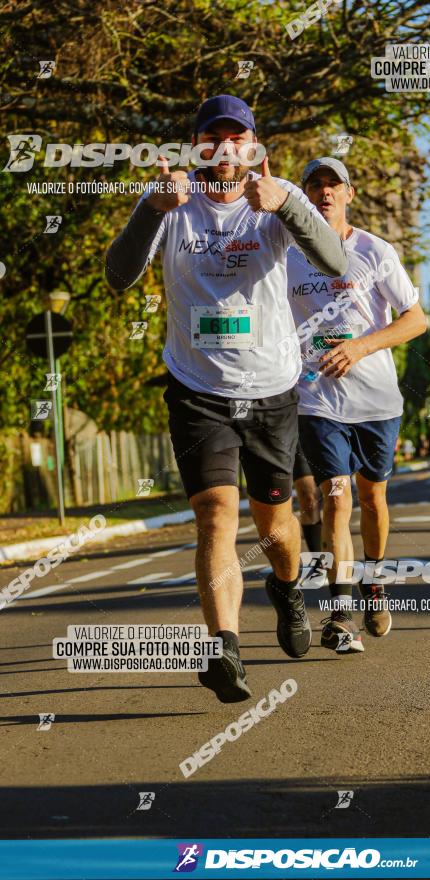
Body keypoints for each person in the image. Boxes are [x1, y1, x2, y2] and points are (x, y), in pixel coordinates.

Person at [105, 95, 348, 702]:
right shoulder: (170, 200)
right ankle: (225, 650)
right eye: (213, 138)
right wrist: (151, 212)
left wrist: (287, 205)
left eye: (237, 138)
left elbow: (336, 260)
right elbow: (118, 274)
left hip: (270, 388)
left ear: (253, 145)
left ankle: (287, 590)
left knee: (277, 522)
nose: (225, 149)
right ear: (197, 146)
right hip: (197, 388)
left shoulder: (277, 196)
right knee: (215, 515)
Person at [286, 157, 427, 654]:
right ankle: (341, 612)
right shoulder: (286, 253)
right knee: (337, 498)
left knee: (372, 498)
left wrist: (363, 346)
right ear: (303, 196)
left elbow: (416, 320)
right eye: (315, 186)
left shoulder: (375, 250)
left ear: (349, 193)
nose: (324, 193)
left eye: (333, 185)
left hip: (377, 401)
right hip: (317, 400)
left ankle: (375, 581)